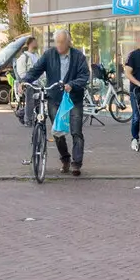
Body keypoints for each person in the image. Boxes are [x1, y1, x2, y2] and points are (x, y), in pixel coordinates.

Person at [22, 28, 91, 176]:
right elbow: (36, 70)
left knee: (76, 131)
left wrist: (72, 84)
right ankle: (65, 158)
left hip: (73, 99)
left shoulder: (78, 57)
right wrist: (25, 81)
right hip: (55, 98)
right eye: (57, 42)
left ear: (69, 42)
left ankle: (76, 164)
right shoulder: (49, 55)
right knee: (58, 132)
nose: (59, 45)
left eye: (62, 42)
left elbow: (85, 75)